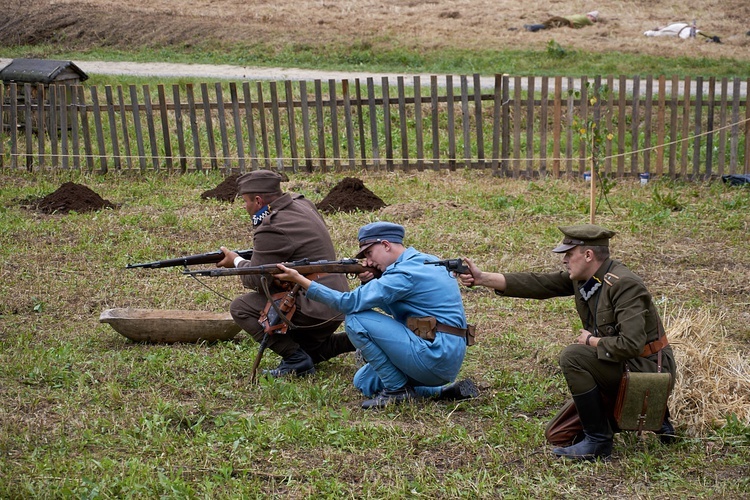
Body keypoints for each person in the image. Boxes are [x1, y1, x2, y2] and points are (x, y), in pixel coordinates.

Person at [458, 224, 677, 460]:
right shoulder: (588, 278)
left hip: (647, 369)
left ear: (588, 255)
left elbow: (631, 345)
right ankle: (653, 416)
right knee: (558, 434)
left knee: (574, 356)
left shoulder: (624, 284)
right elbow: (540, 284)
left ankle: (599, 441)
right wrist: (482, 278)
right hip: (622, 363)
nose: (564, 260)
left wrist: (592, 341)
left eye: (569, 254)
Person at [273, 221, 479, 409]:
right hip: (446, 353)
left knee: (355, 319)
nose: (369, 261)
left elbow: (348, 303)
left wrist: (301, 281)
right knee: (363, 380)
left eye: (370, 253)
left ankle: (396, 391)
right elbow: (396, 306)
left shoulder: (404, 273)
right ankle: (443, 392)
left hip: (435, 354)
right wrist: (368, 282)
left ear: (386, 245)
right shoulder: (426, 261)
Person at [216, 169, 354, 378]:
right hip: (335, 299)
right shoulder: (301, 204)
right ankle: (350, 342)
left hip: (317, 307)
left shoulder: (271, 226)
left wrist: (236, 261)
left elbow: (254, 278)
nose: (245, 207)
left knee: (241, 308)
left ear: (258, 200)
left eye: (245, 201)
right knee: (311, 350)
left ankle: (296, 360)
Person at [524, 10, 599, 32]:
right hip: (565, 21)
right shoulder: (586, 19)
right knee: (547, 27)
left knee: (545, 25)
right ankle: (530, 28)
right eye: (593, 19)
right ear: (590, 16)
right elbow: (595, 27)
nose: (593, 21)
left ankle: (526, 28)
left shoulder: (579, 15)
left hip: (560, 18)